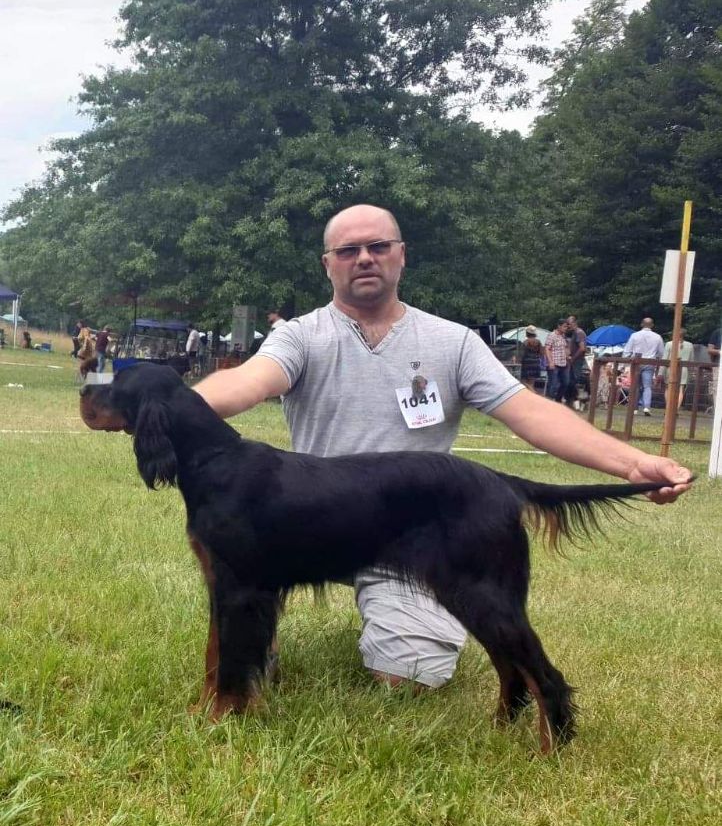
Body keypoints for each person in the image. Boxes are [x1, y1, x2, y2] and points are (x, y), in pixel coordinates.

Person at [193, 204, 691, 693]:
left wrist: (635, 463)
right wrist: (174, 408)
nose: (364, 257)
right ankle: (259, 631)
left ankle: (397, 626)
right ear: (328, 264)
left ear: (401, 255)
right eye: (347, 250)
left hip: (416, 533)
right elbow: (244, 383)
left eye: (378, 246)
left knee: (407, 677)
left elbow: (532, 413)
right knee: (244, 577)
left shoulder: (452, 342)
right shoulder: (300, 336)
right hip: (312, 526)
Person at [623, 317, 664, 416]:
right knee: (647, 386)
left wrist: (625, 360)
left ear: (642, 324)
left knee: (635, 386)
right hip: (649, 362)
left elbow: (627, 350)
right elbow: (661, 353)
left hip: (636, 362)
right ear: (652, 325)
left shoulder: (634, 335)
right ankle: (646, 407)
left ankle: (634, 408)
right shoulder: (657, 337)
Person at [660, 328, 694, 410]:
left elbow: (665, 359)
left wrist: (661, 372)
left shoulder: (669, 344)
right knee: (681, 390)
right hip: (684, 369)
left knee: (668, 388)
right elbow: (691, 360)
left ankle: (668, 408)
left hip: (670, 368)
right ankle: (676, 409)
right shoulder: (690, 345)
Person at [563, 314, 587, 407]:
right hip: (575, 361)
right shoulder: (574, 333)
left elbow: (582, 348)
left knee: (572, 381)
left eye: (569, 324)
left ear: (574, 323)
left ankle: (577, 399)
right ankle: (572, 400)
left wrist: (573, 359)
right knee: (570, 381)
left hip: (577, 361)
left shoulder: (579, 333)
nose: (568, 326)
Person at [544, 319, 570, 403]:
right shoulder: (551, 335)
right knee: (553, 384)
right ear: (559, 326)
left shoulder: (563, 336)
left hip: (563, 363)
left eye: (566, 327)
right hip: (554, 362)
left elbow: (565, 348)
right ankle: (549, 401)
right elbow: (547, 349)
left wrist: (568, 356)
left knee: (565, 382)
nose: (566, 328)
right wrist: (550, 362)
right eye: (564, 326)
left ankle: (558, 400)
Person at [517, 325, 544, 391]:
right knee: (532, 383)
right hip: (535, 364)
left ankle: (533, 394)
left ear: (527, 333)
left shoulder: (525, 343)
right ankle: (532, 394)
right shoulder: (538, 342)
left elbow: (522, 354)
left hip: (526, 365)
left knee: (524, 383)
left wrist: (518, 360)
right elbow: (541, 353)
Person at [708, 328, 721, 411]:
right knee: (716, 388)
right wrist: (720, 352)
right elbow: (710, 350)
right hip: (718, 365)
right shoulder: (718, 332)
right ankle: (718, 411)